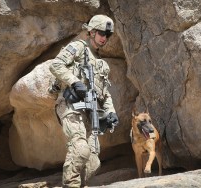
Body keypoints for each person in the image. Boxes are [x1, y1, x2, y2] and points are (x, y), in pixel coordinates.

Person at [49, 14, 119, 188]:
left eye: (107, 35)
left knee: (93, 161)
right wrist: (75, 82)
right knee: (80, 149)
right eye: (102, 33)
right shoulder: (78, 47)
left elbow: (105, 94)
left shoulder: (102, 65)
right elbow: (56, 65)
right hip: (70, 105)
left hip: (90, 112)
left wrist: (111, 112)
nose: (105, 38)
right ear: (92, 32)